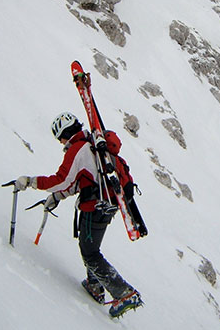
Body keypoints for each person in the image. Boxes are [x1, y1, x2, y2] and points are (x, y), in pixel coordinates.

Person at [14, 111, 142, 318]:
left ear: (64, 134)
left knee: (90, 253)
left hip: (94, 206)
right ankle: (95, 285)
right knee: (91, 247)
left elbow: (62, 180)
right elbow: (80, 180)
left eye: (60, 138)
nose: (61, 142)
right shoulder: (91, 144)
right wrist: (57, 197)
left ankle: (125, 293)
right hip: (107, 204)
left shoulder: (78, 149)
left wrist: (31, 182)